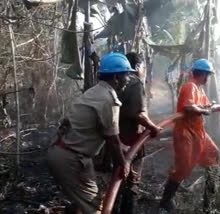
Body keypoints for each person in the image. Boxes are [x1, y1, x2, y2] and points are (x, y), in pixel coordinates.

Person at [47, 53, 134, 214]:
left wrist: (123, 150)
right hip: (71, 159)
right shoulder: (109, 100)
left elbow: (107, 132)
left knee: (83, 203)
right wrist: (123, 164)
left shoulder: (96, 91)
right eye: (126, 74)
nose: (128, 79)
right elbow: (112, 140)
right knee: (94, 207)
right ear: (116, 77)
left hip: (67, 153)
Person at [159, 59, 220, 212]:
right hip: (185, 133)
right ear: (202, 74)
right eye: (207, 75)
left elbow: (210, 107)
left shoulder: (199, 90)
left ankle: (210, 194)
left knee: (212, 154)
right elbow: (189, 108)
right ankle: (166, 200)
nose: (208, 78)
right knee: (183, 168)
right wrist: (203, 111)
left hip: (198, 131)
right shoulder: (190, 87)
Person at [116, 52, 162, 214]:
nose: (144, 70)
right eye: (143, 67)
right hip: (130, 142)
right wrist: (153, 127)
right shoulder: (135, 83)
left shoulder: (114, 82)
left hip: (114, 141)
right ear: (137, 67)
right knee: (131, 183)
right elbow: (139, 114)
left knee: (115, 182)